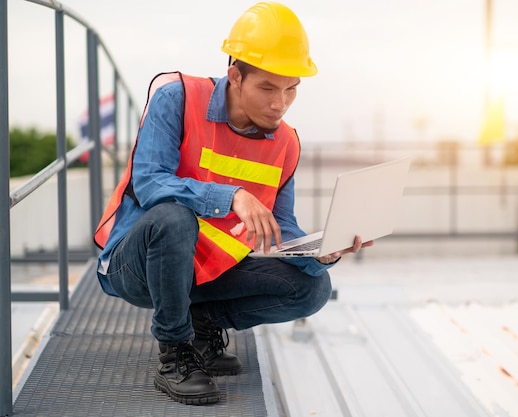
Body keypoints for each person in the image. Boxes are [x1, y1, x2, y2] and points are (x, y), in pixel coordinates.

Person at [93, 1, 372, 406]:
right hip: (135, 264)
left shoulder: (286, 143)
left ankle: (202, 326)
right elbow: (150, 183)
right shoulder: (178, 100)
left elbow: (282, 229)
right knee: (173, 218)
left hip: (206, 271)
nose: (280, 103)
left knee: (311, 289)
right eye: (267, 88)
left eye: (291, 88)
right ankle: (175, 353)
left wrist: (323, 252)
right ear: (235, 76)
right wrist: (231, 196)